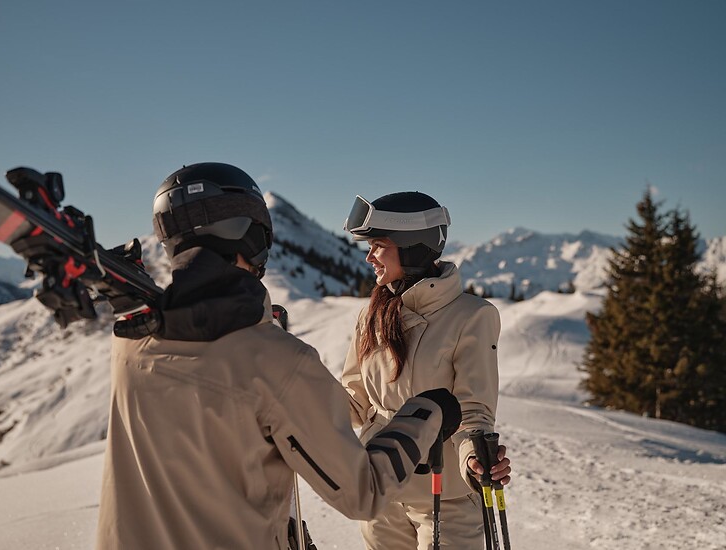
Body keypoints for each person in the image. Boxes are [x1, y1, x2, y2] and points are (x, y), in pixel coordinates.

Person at [94, 163, 464, 550]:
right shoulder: (277, 361)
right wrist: (427, 414)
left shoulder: (132, 342)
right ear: (253, 235)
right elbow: (363, 493)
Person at [341, 192, 512, 550]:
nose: (369, 257)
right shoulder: (371, 315)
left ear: (411, 247)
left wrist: (474, 458)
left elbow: (473, 409)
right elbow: (353, 401)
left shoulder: (472, 316)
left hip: (444, 493)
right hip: (382, 485)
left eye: (378, 246)